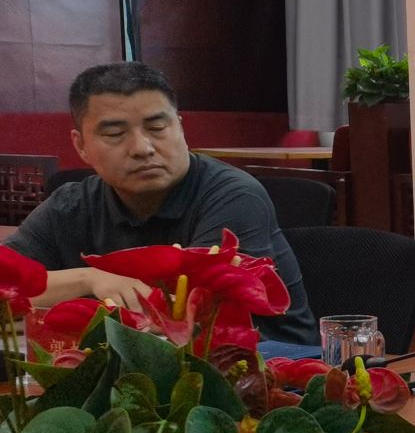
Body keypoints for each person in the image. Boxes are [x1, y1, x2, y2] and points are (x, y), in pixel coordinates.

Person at [11, 62, 316, 344]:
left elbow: (182, 317)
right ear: (81, 146)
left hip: (262, 368)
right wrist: (87, 278)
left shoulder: (234, 196)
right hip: (127, 370)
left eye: (157, 128)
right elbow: (5, 283)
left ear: (180, 128)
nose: (142, 148)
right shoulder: (70, 205)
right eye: (115, 133)